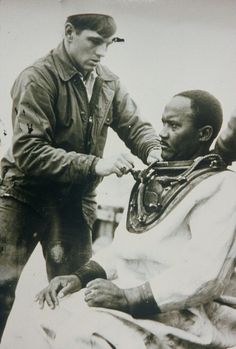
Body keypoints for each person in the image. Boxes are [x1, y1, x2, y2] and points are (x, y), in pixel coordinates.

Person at [3, 89, 236, 349]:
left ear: (203, 134)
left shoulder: (221, 186)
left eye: (174, 125)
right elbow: (122, 250)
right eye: (162, 123)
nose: (162, 133)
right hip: (132, 300)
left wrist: (128, 297)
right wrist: (78, 278)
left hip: (186, 314)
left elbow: (202, 275)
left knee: (80, 335)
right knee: (42, 315)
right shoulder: (154, 178)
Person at [0, 13, 161, 340]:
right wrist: (95, 165)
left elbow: (135, 126)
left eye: (108, 44)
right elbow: (28, 151)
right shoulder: (36, 78)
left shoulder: (108, 82)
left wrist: (154, 152)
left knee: (76, 289)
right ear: (69, 33)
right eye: (94, 42)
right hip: (23, 196)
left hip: (73, 201)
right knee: (1, 285)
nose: (102, 52)